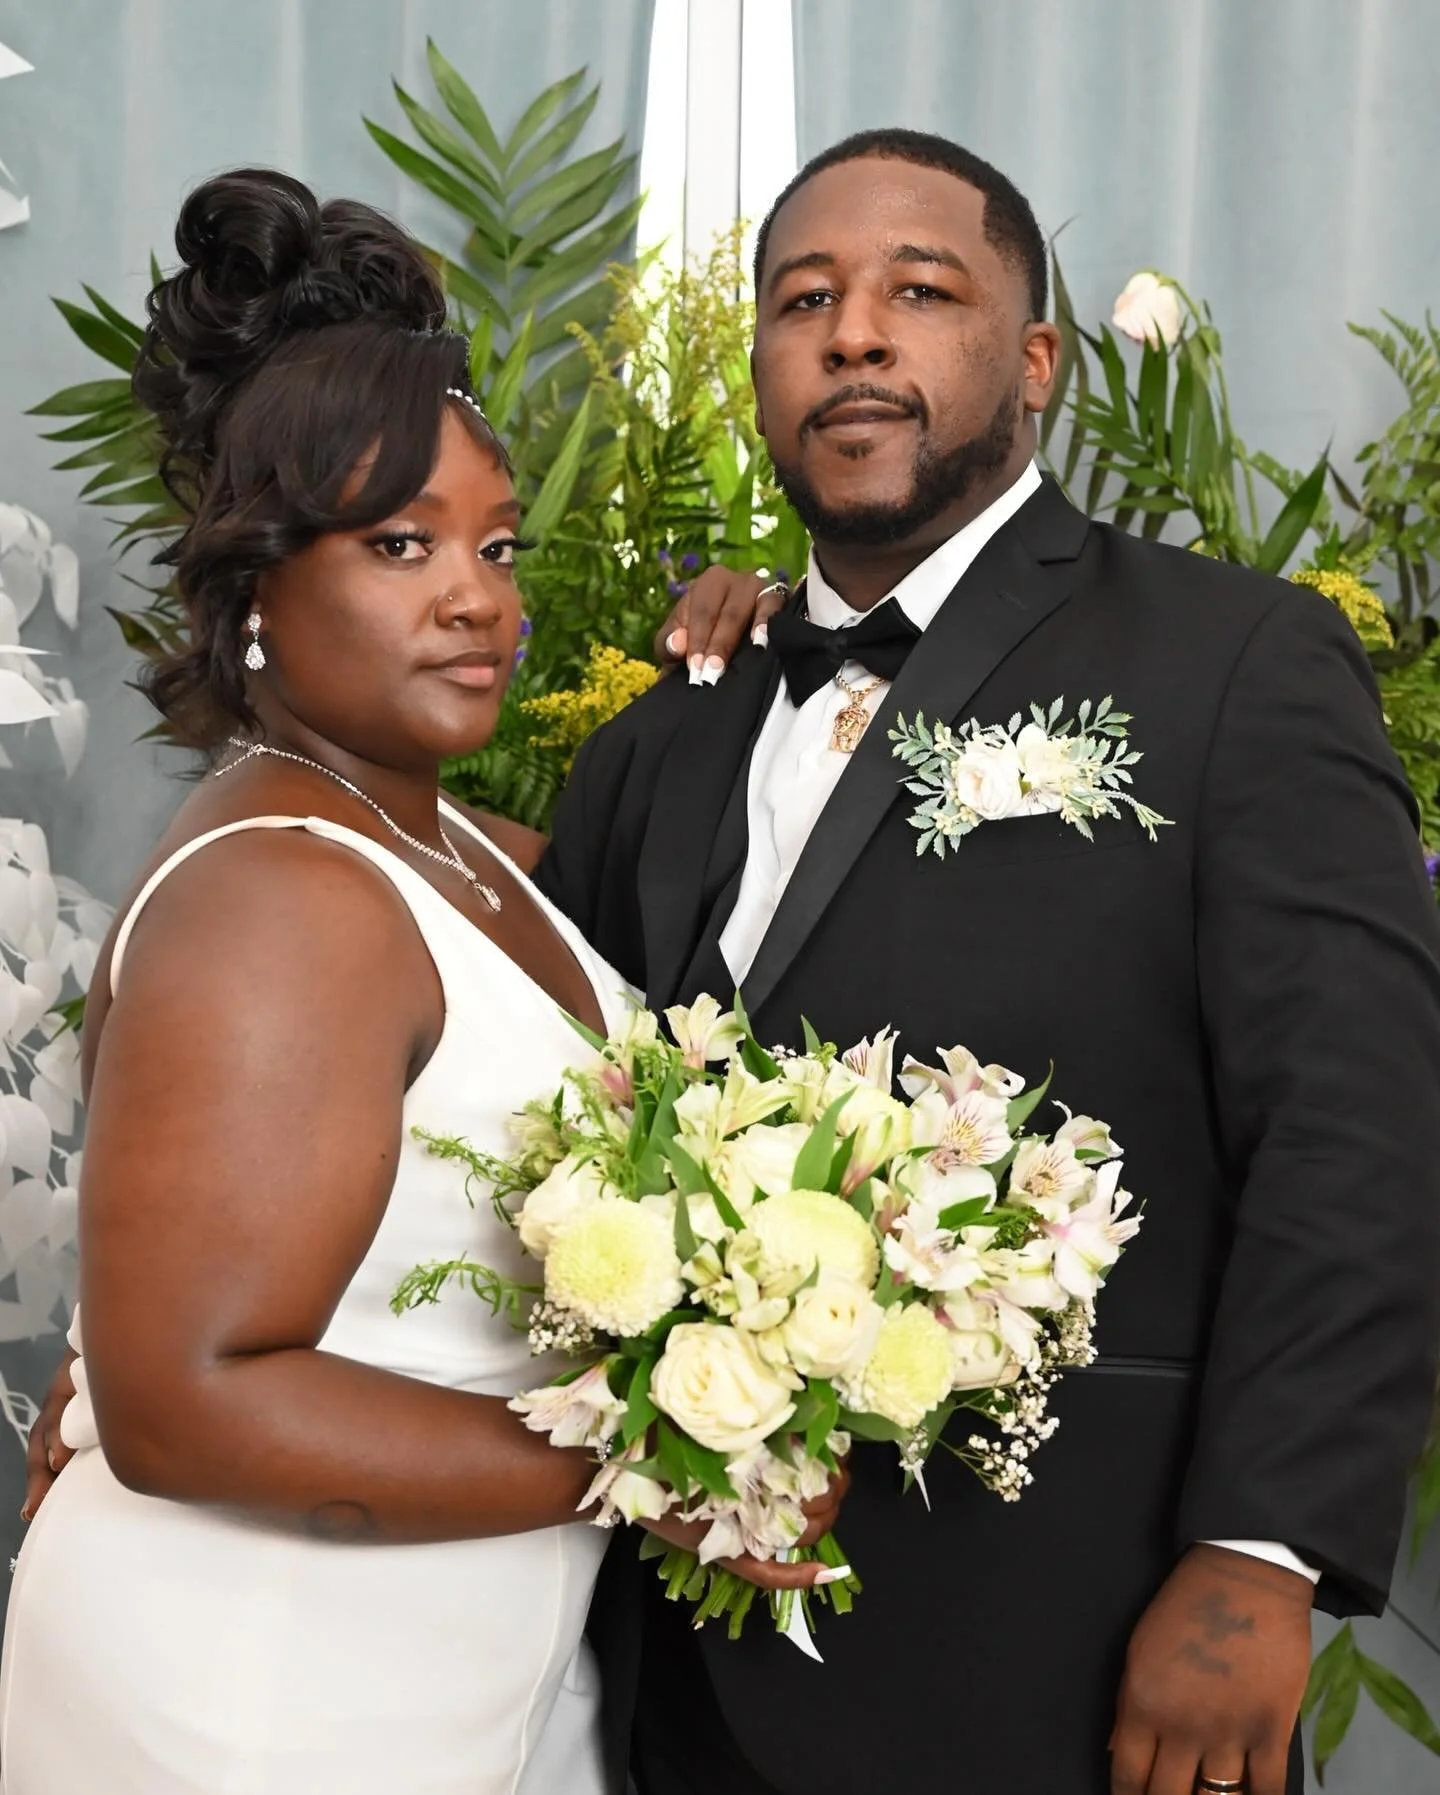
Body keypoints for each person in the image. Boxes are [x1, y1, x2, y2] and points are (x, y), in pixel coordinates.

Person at [527, 131, 1440, 1795]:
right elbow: (524, 1121)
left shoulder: (1232, 659)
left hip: (1072, 1656)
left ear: (1035, 364)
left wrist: (1263, 1551)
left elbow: (1359, 1129)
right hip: (670, 1683)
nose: (854, 333)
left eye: (918, 291)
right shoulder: (658, 739)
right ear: (762, 371)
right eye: (805, 299)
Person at [0, 168, 830, 1795]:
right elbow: (185, 1404)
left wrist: (787, 651)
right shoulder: (278, 895)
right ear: (253, 595)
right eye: (401, 543)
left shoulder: (443, 842)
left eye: (498, 544)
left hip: (456, 1669)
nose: (483, 599)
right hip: (260, 1693)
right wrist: (652, 1469)